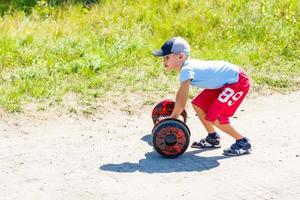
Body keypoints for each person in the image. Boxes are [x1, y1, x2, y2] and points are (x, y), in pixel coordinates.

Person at [152, 36, 251, 156]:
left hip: (237, 81)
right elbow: (180, 95)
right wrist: (173, 117)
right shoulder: (187, 68)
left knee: (214, 116)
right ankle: (213, 138)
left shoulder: (187, 70)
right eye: (164, 57)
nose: (164, 61)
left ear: (181, 56)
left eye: (167, 57)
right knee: (198, 104)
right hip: (225, 81)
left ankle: (242, 141)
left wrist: (172, 119)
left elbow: (182, 102)